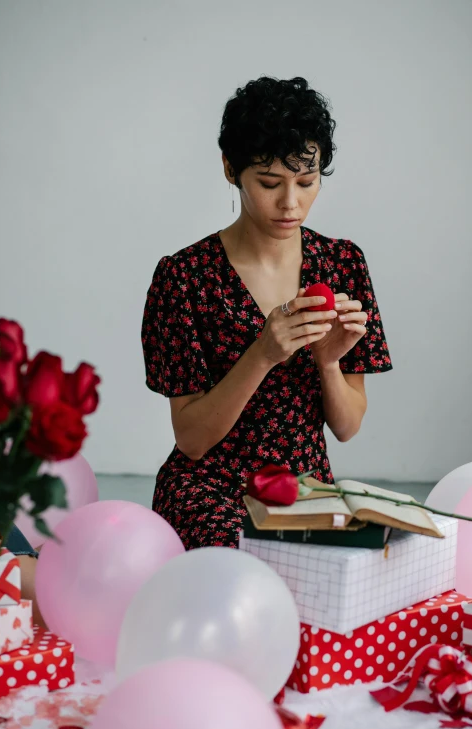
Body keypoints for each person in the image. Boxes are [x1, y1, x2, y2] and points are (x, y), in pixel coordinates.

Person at [141, 75, 392, 551]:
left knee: (369, 566)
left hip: (306, 493)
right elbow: (192, 440)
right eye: (270, 183)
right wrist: (261, 353)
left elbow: (347, 428)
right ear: (230, 168)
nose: (290, 203)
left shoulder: (344, 263)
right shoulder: (183, 277)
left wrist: (328, 360)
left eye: (307, 181)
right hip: (208, 492)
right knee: (244, 570)